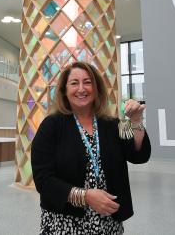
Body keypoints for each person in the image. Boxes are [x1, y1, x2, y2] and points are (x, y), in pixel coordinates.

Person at [32, 61, 151, 234]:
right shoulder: (52, 125)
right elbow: (43, 180)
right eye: (74, 83)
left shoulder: (112, 124)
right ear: (64, 90)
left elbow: (138, 155)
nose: (81, 89)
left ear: (96, 89)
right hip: (65, 223)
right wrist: (85, 197)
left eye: (87, 82)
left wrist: (136, 121)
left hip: (108, 223)